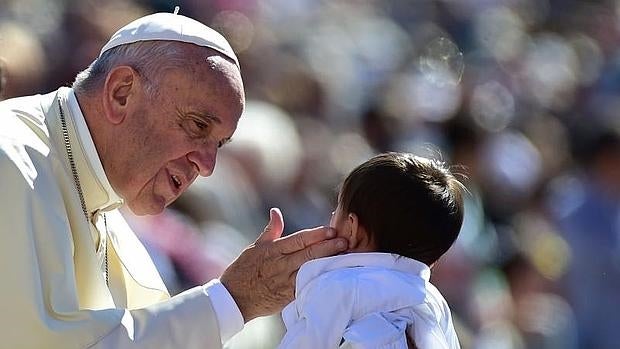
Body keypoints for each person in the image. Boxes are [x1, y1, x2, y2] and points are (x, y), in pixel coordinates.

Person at [0, 11, 347, 349]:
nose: (208, 165)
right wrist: (234, 300)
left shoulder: (105, 199)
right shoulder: (10, 159)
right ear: (122, 93)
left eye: (219, 144)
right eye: (198, 126)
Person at [278, 152, 464, 349]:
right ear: (433, 260)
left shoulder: (336, 288)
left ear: (352, 227)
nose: (331, 216)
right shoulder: (435, 303)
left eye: (337, 208)